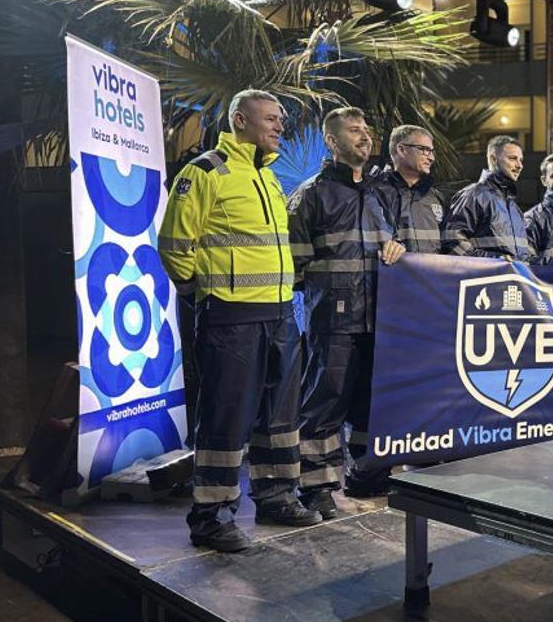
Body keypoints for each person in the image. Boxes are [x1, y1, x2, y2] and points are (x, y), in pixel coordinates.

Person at [159, 89, 321, 553]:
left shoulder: (268, 178)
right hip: (231, 318)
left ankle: (275, 497)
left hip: (279, 314)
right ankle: (210, 516)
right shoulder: (206, 172)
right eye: (270, 118)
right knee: (226, 418)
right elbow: (174, 247)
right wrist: (199, 291)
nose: (279, 126)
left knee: (279, 417)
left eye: (280, 120)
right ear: (239, 120)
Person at [288, 108, 405, 518]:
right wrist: (325, 299)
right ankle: (316, 488)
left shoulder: (380, 194)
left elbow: (396, 243)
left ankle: (367, 476)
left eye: (367, 130)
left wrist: (398, 248)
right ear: (332, 142)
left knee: (372, 406)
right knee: (323, 407)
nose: (365, 136)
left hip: (380, 320)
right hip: (333, 321)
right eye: (354, 131)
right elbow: (293, 267)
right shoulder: (311, 195)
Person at [444, 135, 532, 261]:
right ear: (493, 159)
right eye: (513, 158)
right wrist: (492, 262)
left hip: (510, 280)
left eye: (521, 160)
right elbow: (451, 240)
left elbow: (525, 259)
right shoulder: (473, 195)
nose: (520, 165)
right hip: (483, 278)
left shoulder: (515, 209)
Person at [379, 124, 447, 254]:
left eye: (431, 151)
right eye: (424, 149)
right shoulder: (372, 193)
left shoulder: (436, 197)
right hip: (390, 274)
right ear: (401, 150)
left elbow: (448, 246)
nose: (431, 158)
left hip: (430, 274)